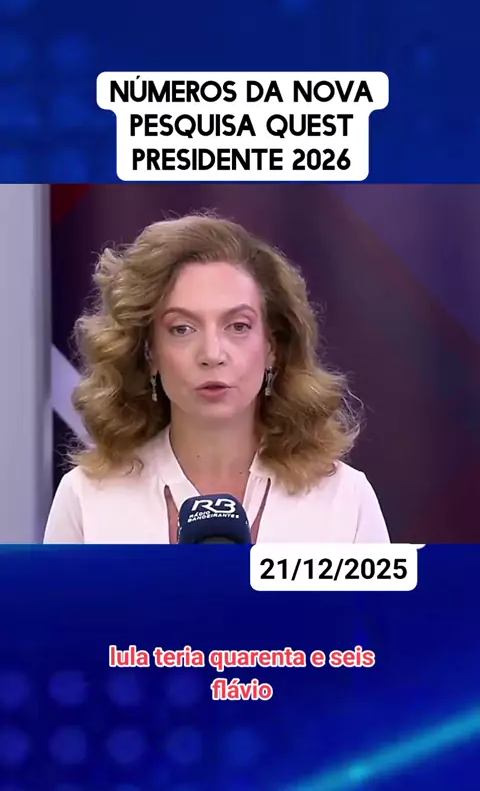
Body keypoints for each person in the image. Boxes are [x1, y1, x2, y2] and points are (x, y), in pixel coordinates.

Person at [44, 214, 390, 544]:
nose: (212, 354)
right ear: (150, 353)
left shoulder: (343, 498)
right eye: (182, 328)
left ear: (272, 346)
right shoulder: (87, 498)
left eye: (238, 326)